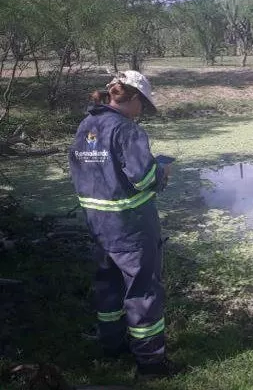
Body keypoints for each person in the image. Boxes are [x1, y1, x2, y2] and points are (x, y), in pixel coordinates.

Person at [68, 70, 181, 381]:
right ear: (130, 99)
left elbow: (86, 172)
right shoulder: (126, 130)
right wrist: (163, 171)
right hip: (131, 228)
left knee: (108, 286)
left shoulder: (87, 125)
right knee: (142, 291)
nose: (142, 110)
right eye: (142, 103)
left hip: (98, 226)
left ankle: (112, 346)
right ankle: (151, 364)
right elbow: (143, 179)